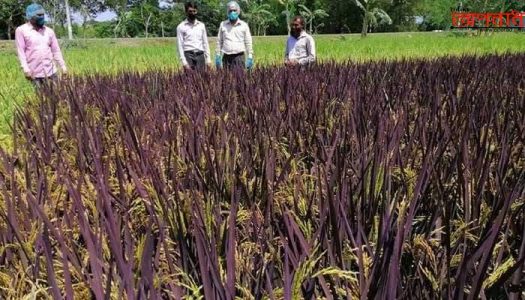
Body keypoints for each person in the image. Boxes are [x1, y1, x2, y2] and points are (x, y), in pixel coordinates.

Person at [15, 3, 67, 86]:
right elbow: (21, 52)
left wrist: (63, 66)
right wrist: (26, 69)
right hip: (34, 74)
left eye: (43, 14)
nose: (42, 17)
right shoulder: (21, 30)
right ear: (30, 16)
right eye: (39, 15)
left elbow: (56, 51)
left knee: (57, 95)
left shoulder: (49, 31)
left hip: (51, 72)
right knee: (40, 98)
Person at [215, 1, 254, 70]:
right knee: (226, 79)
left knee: (239, 79)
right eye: (230, 11)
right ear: (228, 12)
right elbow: (219, 41)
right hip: (226, 57)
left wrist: (250, 56)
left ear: (238, 11)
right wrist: (218, 55)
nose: (232, 12)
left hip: (239, 57)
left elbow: (248, 42)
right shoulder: (223, 25)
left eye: (234, 10)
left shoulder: (244, 25)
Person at [176, 1, 211, 71]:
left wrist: (208, 59)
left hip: (200, 55)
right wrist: (184, 63)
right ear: (186, 12)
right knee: (188, 79)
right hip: (188, 56)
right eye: (190, 11)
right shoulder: (181, 27)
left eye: (194, 11)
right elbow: (180, 45)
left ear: (197, 11)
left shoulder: (201, 26)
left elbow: (205, 43)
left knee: (202, 79)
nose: (192, 13)